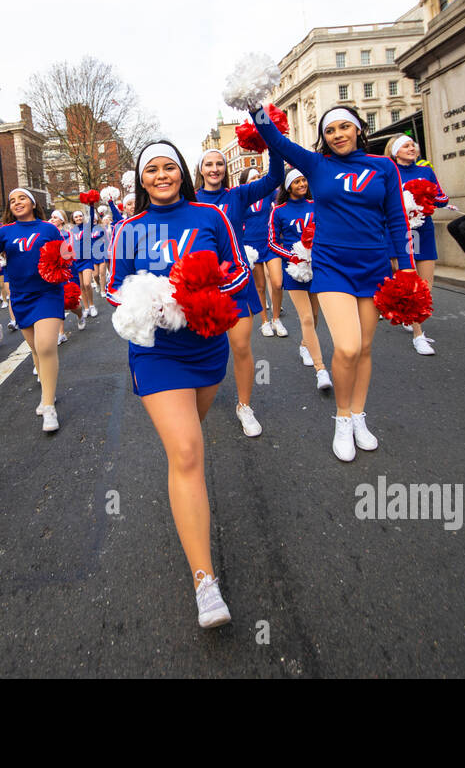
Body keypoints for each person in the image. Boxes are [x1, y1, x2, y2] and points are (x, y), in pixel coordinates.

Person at [105, 140, 249, 628]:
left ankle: (186, 498)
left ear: (182, 174)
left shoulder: (211, 215)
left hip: (206, 344)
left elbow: (238, 273)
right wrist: (152, 302)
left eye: (170, 167)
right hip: (156, 351)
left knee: (188, 440)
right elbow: (112, 290)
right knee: (187, 451)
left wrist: (197, 295)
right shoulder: (128, 228)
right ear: (142, 181)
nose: (162, 175)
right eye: (152, 170)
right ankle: (205, 582)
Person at [252, 105, 415, 463]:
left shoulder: (383, 167)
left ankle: (359, 415)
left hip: (374, 268)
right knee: (347, 347)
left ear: (359, 129)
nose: (338, 134)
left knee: (366, 347)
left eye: (345, 127)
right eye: (330, 130)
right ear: (323, 137)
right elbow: (276, 140)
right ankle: (342, 417)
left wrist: (406, 270)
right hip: (332, 266)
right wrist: (254, 107)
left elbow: (397, 220)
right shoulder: (316, 165)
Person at [194, 147, 284, 436]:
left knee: (242, 346)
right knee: (201, 348)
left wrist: (272, 143)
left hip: (236, 280)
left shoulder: (237, 195)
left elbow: (274, 178)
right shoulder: (190, 199)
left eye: (219, 163)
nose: (215, 168)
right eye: (209, 164)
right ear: (201, 169)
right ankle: (193, 399)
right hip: (202, 283)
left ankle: (244, 406)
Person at [0, 189, 68, 432]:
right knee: (36, 348)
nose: (17, 203)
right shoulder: (4, 232)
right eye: (12, 200)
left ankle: (48, 406)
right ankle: (48, 391)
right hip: (21, 296)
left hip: (48, 293)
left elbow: (65, 256)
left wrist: (64, 266)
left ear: (33, 203)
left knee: (47, 346)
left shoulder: (48, 228)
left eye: (22, 198)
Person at [268, 170, 330, 390]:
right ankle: (321, 369)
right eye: (297, 181)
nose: (302, 184)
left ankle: (305, 345)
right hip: (294, 268)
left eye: (304, 180)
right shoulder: (279, 211)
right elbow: (272, 242)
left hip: (317, 265)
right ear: (288, 186)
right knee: (305, 317)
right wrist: (292, 256)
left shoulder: (317, 204)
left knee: (314, 315)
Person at [387, 134, 450, 353]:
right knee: (408, 280)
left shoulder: (426, 171)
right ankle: (418, 334)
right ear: (396, 152)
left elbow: (442, 198)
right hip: (400, 232)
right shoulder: (390, 172)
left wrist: (427, 197)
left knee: (425, 284)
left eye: (412, 145)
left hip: (423, 230)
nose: (411, 148)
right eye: (405, 146)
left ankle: (411, 315)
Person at [237, 166, 283, 337]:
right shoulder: (242, 198)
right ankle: (264, 321)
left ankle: (276, 319)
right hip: (251, 246)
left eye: (258, 177)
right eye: (252, 179)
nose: (257, 180)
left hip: (271, 243)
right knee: (260, 286)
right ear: (246, 183)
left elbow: (282, 193)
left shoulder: (268, 193)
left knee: (277, 283)